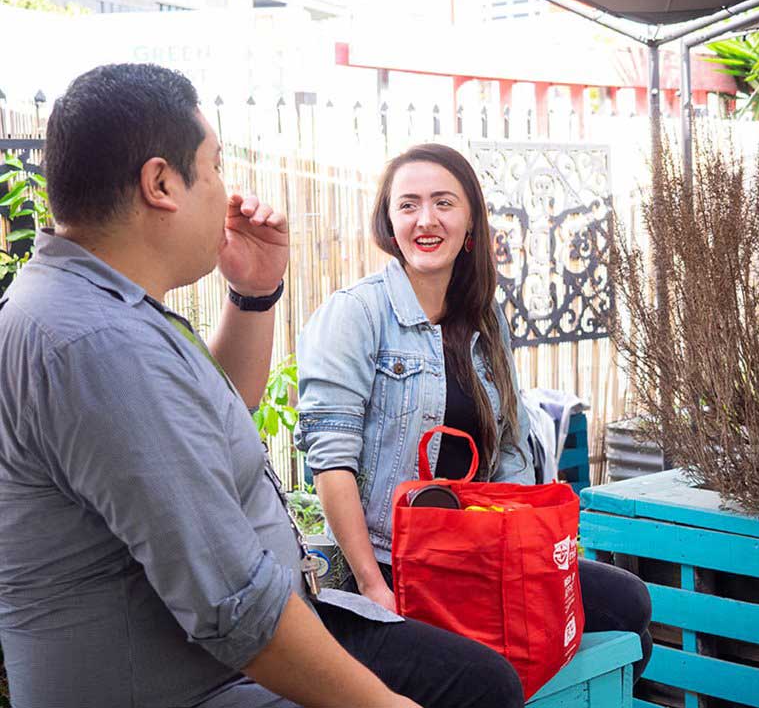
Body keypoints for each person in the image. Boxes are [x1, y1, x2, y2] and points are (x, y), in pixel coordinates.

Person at [0, 64, 523, 708]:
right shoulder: (97, 344)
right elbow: (237, 607)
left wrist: (254, 294)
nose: (227, 192)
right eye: (216, 166)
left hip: (217, 655)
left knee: (482, 679)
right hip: (195, 683)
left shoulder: (98, 305)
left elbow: (226, 410)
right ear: (161, 183)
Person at [295, 143, 653, 681]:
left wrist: (528, 552)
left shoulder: (485, 318)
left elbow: (507, 446)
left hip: (477, 547)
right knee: (510, 667)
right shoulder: (356, 314)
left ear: (470, 225)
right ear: (389, 222)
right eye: (408, 204)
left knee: (631, 608)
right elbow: (331, 463)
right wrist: (373, 584)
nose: (426, 219)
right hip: (397, 561)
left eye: (444, 203)